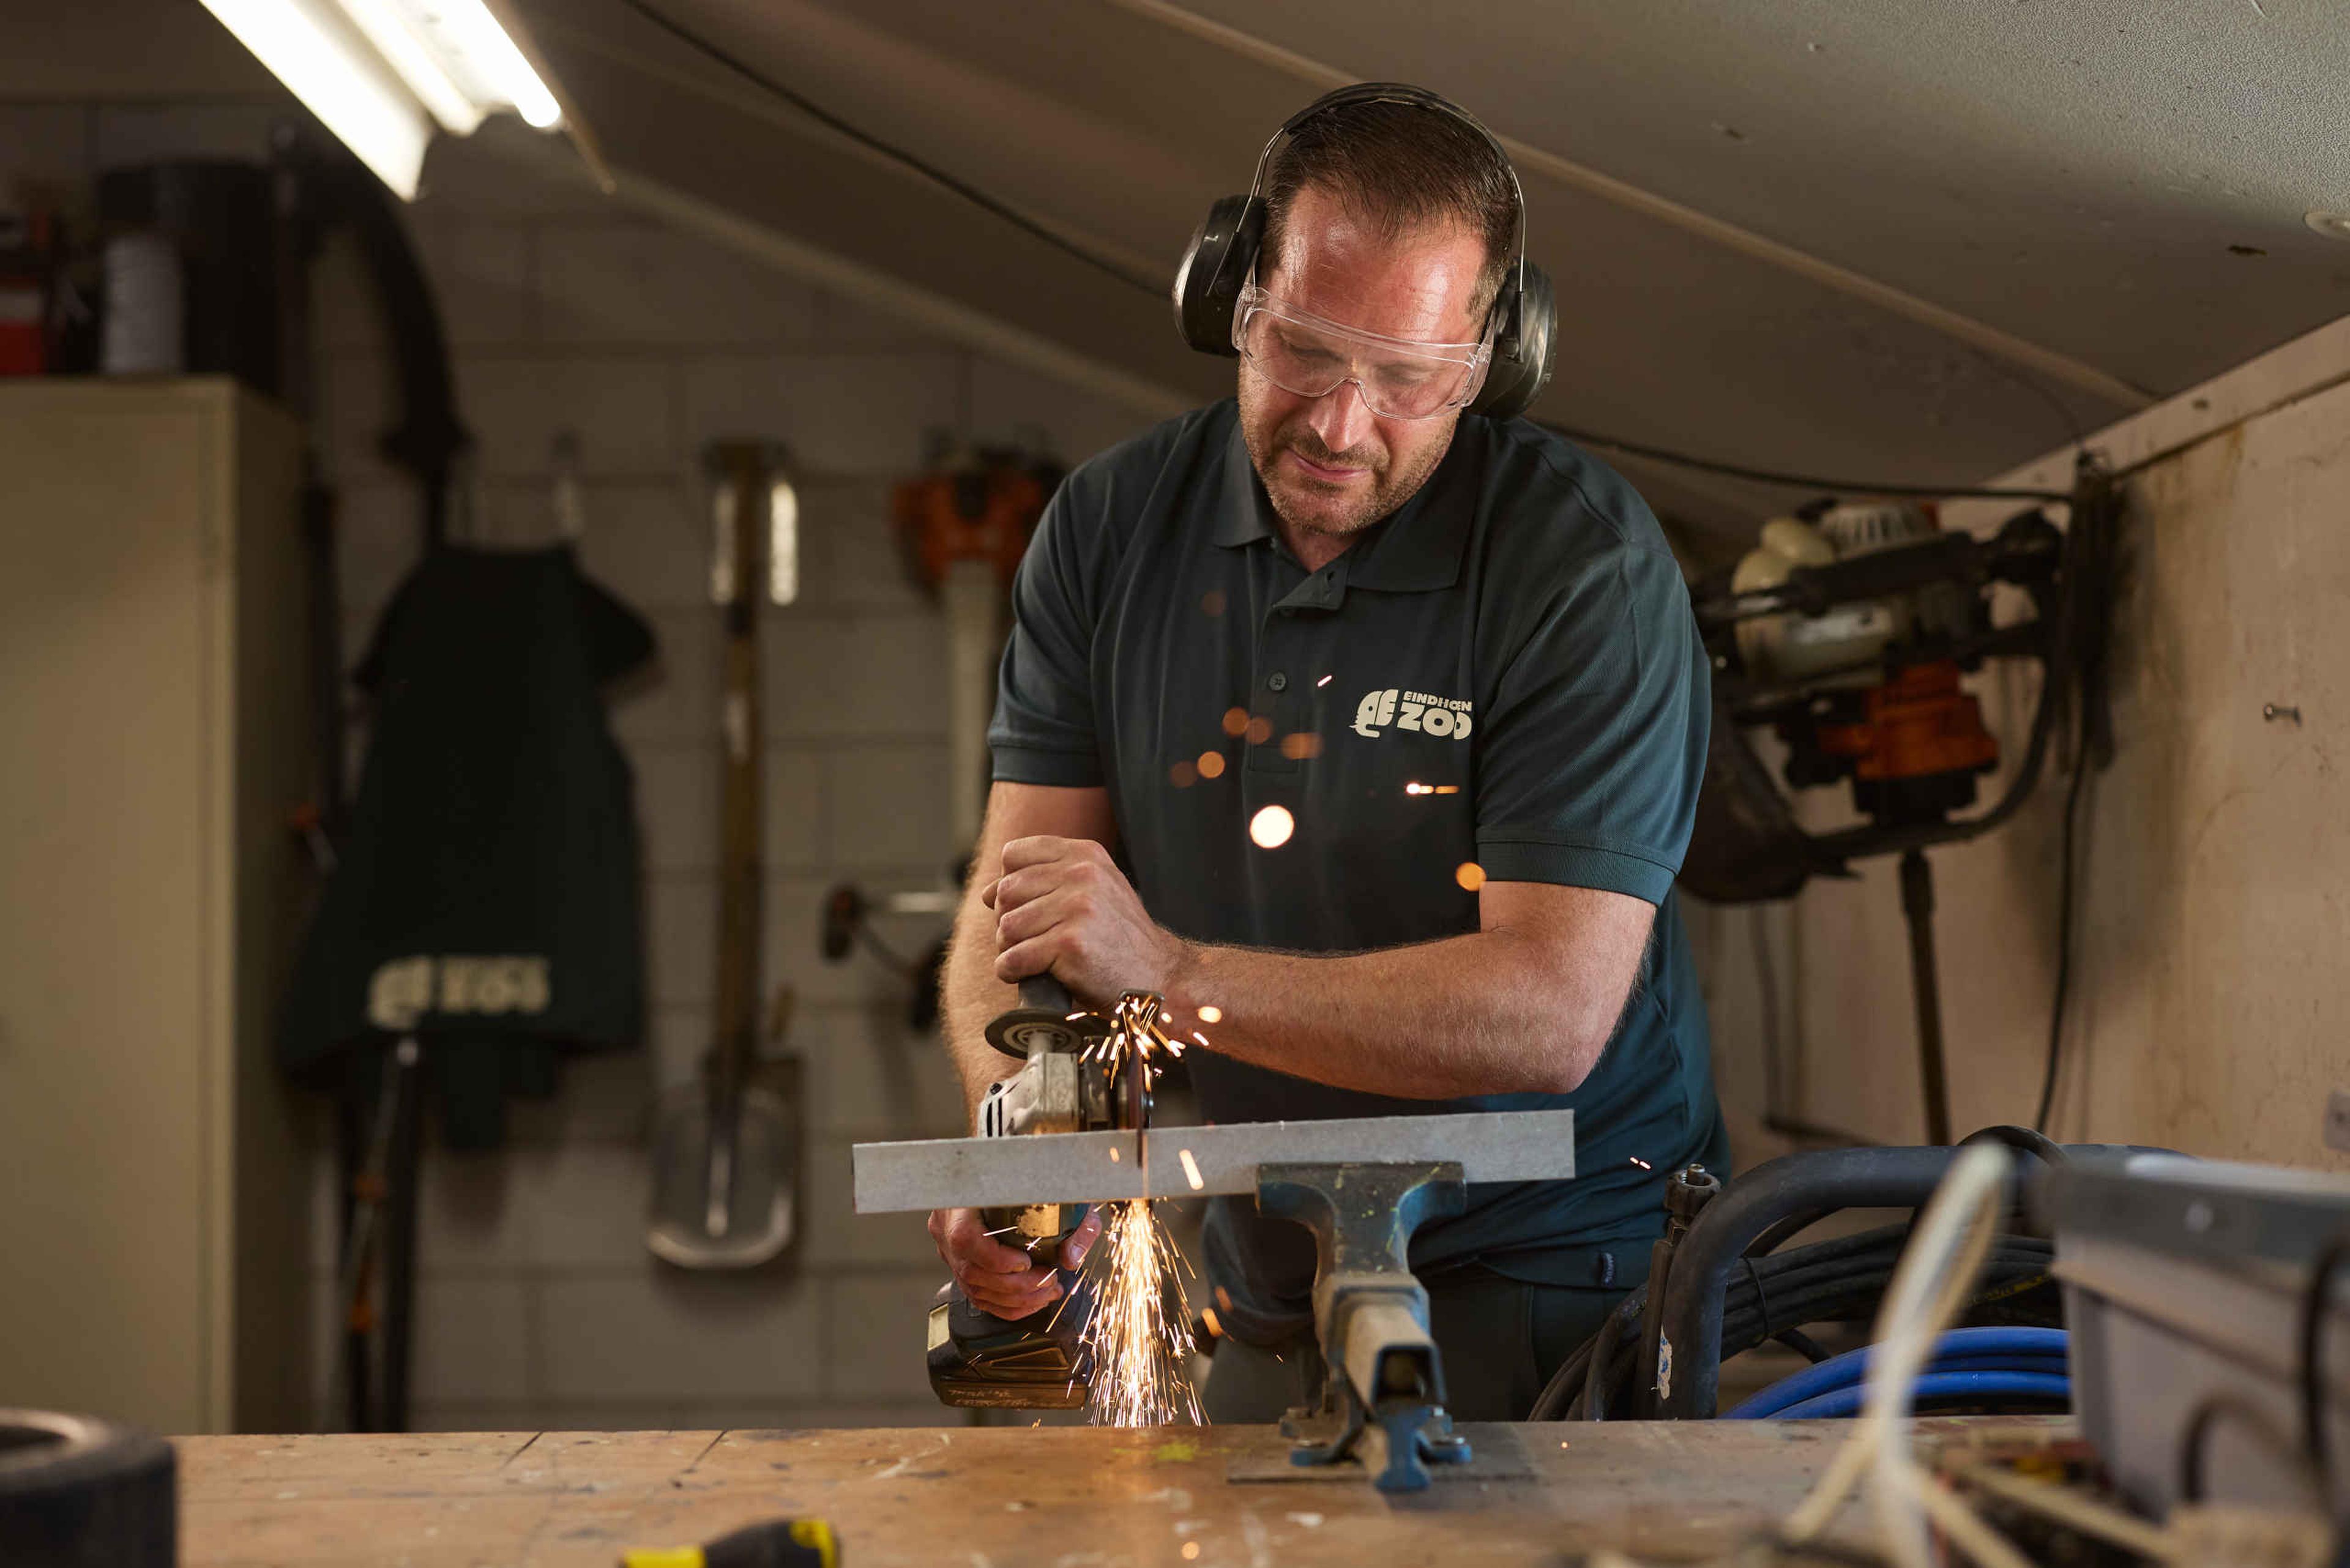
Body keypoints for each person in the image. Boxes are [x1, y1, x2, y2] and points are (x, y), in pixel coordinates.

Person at [927, 84, 1728, 1422]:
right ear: (1231, 298)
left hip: (1551, 1279)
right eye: (1303, 351)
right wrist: (1026, 1158)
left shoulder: (1579, 567)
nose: (1340, 425)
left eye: (1408, 379)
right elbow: (1020, 905)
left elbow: (1549, 1011)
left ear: (1489, 364)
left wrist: (1172, 976)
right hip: (1266, 1257)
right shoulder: (1111, 530)